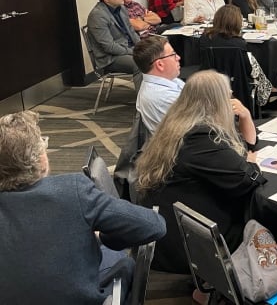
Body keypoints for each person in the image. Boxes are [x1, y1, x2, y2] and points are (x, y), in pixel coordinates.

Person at [0, 111, 166, 304]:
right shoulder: (71, 190)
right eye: (43, 143)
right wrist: (102, 236)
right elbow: (154, 225)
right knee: (125, 263)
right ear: (39, 159)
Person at [136, 70, 265, 274]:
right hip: (188, 243)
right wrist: (252, 162)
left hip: (167, 226)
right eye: (228, 96)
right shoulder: (200, 138)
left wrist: (246, 116)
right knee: (263, 220)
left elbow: (243, 148)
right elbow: (247, 178)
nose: (231, 101)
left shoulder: (179, 124)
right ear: (215, 102)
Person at [199, 5, 272, 106]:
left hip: (207, 80)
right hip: (236, 82)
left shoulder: (205, 39)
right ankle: (267, 98)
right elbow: (247, 68)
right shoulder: (239, 44)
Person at [87, 0, 142, 89]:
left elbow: (131, 32)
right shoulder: (97, 15)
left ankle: (161, 96)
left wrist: (142, 47)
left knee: (159, 54)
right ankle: (143, 103)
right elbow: (109, 47)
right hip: (110, 58)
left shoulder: (121, 8)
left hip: (128, 49)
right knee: (141, 64)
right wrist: (133, 51)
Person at [133, 35, 184, 133]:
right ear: (160, 64)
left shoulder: (168, 79)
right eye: (173, 54)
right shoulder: (164, 97)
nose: (178, 57)